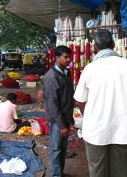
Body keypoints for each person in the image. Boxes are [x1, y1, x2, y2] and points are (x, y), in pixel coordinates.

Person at [74, 29, 127, 177]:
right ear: (113, 44)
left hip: (96, 132)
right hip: (123, 129)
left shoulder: (90, 69)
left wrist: (91, 117)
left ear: (94, 48)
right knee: (122, 171)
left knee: (98, 171)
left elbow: (79, 100)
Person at [42, 45, 74, 177]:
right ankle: (56, 175)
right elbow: (52, 104)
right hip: (57, 120)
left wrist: (69, 119)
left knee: (63, 148)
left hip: (65, 117)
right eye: (65, 57)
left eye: (69, 57)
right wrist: (61, 125)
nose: (68, 60)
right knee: (56, 149)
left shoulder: (66, 72)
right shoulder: (51, 77)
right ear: (57, 58)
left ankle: (59, 172)